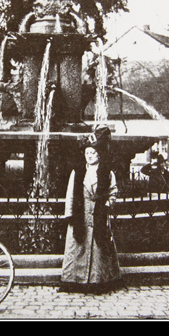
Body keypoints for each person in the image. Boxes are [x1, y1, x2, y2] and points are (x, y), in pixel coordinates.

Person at [59, 125, 121, 293]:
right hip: (81, 215)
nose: (90, 156)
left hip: (99, 215)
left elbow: (113, 191)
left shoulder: (106, 172)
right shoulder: (78, 172)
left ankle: (98, 281)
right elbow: (70, 194)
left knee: (99, 249)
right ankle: (73, 280)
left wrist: (109, 203)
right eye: (87, 153)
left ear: (99, 154)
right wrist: (69, 214)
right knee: (76, 248)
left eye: (93, 153)